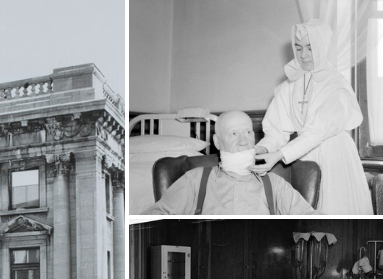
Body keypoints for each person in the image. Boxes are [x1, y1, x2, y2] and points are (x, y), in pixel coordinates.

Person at [251, 19, 372, 215]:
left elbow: (317, 132)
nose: (303, 55)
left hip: (335, 157)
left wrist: (280, 155)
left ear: (322, 47)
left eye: (310, 47)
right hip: (302, 157)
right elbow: (276, 131)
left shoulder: (336, 85)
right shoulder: (287, 86)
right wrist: (261, 149)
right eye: (298, 48)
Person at [144, 111, 318, 215]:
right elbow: (157, 213)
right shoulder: (195, 180)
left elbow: (311, 217)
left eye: (248, 132)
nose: (244, 141)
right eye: (234, 134)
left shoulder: (275, 185)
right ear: (218, 142)